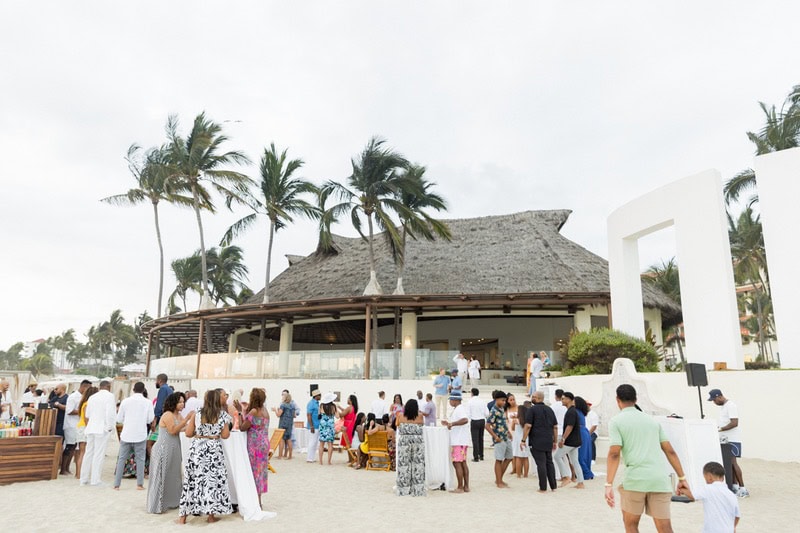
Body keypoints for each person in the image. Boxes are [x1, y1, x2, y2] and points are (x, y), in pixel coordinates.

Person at [605, 384, 689, 533]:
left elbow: (614, 454)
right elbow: (670, 451)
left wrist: (608, 484)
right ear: (636, 399)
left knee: (630, 524)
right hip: (659, 480)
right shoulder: (653, 422)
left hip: (635, 480)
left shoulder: (616, 422)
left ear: (617, 400)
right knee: (665, 527)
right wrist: (682, 478)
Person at [178, 389, 233, 524]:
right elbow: (225, 435)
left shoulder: (197, 413)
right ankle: (210, 516)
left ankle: (183, 518)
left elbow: (188, 433)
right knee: (212, 482)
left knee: (191, 480)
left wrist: (200, 433)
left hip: (197, 449)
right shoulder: (222, 415)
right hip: (213, 450)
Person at [147, 391, 191, 513]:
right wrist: (187, 419)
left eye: (183, 402)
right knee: (161, 476)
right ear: (173, 402)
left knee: (174, 476)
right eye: (180, 402)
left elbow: (184, 428)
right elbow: (172, 430)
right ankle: (156, 505)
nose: (182, 404)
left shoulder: (178, 416)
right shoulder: (168, 415)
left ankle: (173, 502)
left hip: (175, 448)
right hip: (163, 448)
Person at [114, 381, 155, 490]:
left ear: (133, 389)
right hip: (140, 434)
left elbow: (119, 419)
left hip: (126, 434)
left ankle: (116, 485)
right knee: (140, 459)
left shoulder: (125, 401)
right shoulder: (148, 402)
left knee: (122, 459)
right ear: (143, 390)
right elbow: (150, 419)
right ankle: (139, 484)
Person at [679, 461, 741, 533]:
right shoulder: (731, 494)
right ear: (723, 478)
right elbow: (737, 516)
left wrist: (682, 489)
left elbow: (692, 496)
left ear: (709, 477)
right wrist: (732, 527)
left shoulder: (708, 489)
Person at [708, 389, 748, 498]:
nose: (714, 402)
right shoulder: (724, 407)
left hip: (732, 439)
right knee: (729, 463)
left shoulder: (731, 406)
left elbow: (734, 423)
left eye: (714, 400)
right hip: (726, 439)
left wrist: (720, 429)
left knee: (733, 463)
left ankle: (743, 488)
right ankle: (734, 486)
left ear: (719, 396)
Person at [238, 388, 270, 508]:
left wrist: (240, 412)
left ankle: (257, 501)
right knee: (261, 472)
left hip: (255, 445)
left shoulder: (254, 411)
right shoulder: (265, 410)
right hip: (264, 444)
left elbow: (243, 427)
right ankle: (259, 498)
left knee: (254, 471)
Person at [81, 380, 117, 486]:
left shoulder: (92, 397)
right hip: (102, 428)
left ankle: (84, 479)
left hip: (91, 427)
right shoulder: (110, 396)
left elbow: (87, 414)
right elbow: (110, 413)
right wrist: (110, 427)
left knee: (88, 453)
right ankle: (95, 480)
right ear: (108, 387)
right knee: (99, 454)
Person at [522, 390, 559, 492]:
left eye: (533, 397)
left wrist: (523, 440)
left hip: (536, 440)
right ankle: (553, 486)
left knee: (541, 463)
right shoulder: (550, 410)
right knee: (549, 463)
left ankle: (543, 487)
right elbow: (555, 427)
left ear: (538, 398)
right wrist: (554, 441)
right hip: (548, 439)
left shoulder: (532, 410)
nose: (532, 398)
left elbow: (528, 426)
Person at [395, 399, 426, 496]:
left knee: (404, 465)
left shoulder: (400, 416)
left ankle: (403, 489)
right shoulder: (420, 416)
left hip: (404, 441)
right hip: (417, 441)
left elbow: (397, 425)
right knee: (418, 465)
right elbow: (422, 424)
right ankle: (418, 490)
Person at [553, 392, 584, 488]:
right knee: (575, 461)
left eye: (563, 399)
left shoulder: (571, 412)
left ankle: (566, 477)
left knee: (557, 456)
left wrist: (563, 439)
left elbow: (569, 427)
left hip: (570, 441)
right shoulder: (572, 411)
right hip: (575, 440)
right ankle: (580, 482)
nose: (562, 400)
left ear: (569, 399)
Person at [442, 391, 470, 493]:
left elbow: (465, 420)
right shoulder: (459, 409)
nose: (450, 402)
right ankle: (466, 486)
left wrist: (452, 424)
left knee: (457, 463)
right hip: (461, 439)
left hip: (458, 440)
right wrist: (449, 424)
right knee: (463, 463)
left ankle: (460, 487)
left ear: (455, 400)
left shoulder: (459, 409)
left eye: (451, 400)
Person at [62, 379, 91, 475]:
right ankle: (63, 469)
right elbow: (69, 411)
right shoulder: (73, 397)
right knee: (69, 447)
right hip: (71, 425)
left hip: (78, 425)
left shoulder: (84, 397)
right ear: (83, 386)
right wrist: (82, 411)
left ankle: (67, 468)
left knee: (74, 447)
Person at [485, 391, 513, 488]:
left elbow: (503, 422)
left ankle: (499, 478)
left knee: (509, 457)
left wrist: (508, 432)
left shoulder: (501, 409)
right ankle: (499, 481)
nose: (504, 402)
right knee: (499, 459)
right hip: (499, 438)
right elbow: (487, 425)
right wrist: (495, 437)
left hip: (505, 437)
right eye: (502, 400)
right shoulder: (494, 411)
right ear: (496, 400)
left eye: (505, 400)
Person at [75, 385, 98, 480]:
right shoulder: (88, 404)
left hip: (81, 427)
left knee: (81, 452)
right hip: (85, 428)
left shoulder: (83, 403)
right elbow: (86, 419)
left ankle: (78, 473)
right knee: (83, 452)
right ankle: (80, 474)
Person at [574, 396, 595, 481]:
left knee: (580, 455)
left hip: (580, 433)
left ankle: (587, 473)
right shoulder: (581, 412)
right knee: (585, 454)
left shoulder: (576, 412)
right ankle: (586, 472)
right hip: (584, 432)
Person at [467, 388, 489, 462]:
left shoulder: (470, 402)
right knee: (481, 438)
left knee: (475, 439)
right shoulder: (482, 401)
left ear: (472, 393)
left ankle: (476, 456)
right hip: (482, 420)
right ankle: (481, 455)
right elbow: (487, 413)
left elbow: (468, 413)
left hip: (474, 420)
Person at [551, 388, 568, 478]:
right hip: (565, 432)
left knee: (555, 455)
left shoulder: (553, 406)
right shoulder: (565, 407)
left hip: (556, 432)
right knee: (564, 456)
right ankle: (565, 474)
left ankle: (557, 475)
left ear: (555, 396)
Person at [511, 403, 530, 478]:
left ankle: (518, 474)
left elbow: (512, 428)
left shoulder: (516, 420)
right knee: (525, 457)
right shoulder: (527, 420)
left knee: (518, 457)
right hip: (525, 439)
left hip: (517, 439)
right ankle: (526, 474)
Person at [276, 391, 296, 459]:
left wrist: (275, 410)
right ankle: (290, 455)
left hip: (283, 423)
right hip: (289, 423)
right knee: (289, 439)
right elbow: (294, 415)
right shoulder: (292, 405)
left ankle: (280, 455)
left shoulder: (283, 405)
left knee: (281, 439)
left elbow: (279, 414)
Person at [318, 393, 337, 465]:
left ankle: (320, 461)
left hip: (323, 425)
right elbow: (337, 416)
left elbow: (319, 415)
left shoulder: (321, 406)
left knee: (321, 444)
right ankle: (329, 461)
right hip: (330, 425)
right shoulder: (333, 406)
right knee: (330, 444)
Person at [306, 389, 321, 463]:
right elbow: (309, 415)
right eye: (319, 395)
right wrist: (311, 426)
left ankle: (312, 457)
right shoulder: (311, 403)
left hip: (317, 425)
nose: (320, 396)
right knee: (312, 442)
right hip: (313, 426)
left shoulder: (317, 403)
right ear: (316, 396)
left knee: (315, 442)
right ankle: (309, 458)